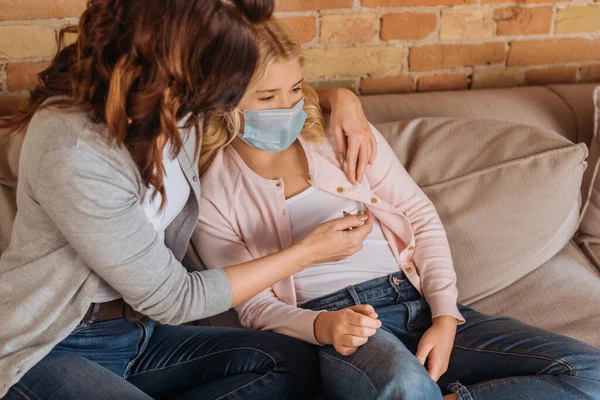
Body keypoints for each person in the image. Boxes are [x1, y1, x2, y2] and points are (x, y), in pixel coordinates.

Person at [194, 17, 600, 400]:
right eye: (267, 97)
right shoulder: (211, 189)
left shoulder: (341, 135)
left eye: (296, 89)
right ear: (221, 98)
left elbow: (420, 217)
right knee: (404, 386)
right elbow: (255, 306)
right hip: (342, 324)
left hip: (414, 297)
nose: (288, 108)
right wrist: (324, 326)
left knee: (589, 371)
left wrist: (444, 315)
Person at [0, 1, 378, 399]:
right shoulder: (78, 150)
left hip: (139, 333)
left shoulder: (178, 110)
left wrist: (341, 98)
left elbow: (267, 98)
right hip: (53, 342)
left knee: (291, 363)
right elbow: (175, 299)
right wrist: (307, 252)